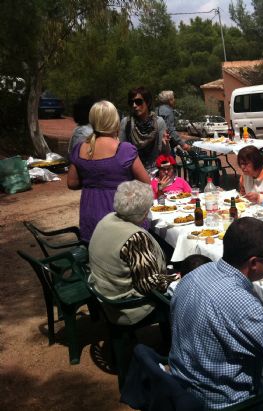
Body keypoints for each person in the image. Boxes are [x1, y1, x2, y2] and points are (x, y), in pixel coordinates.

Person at [169, 217, 263, 409]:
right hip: (223, 401)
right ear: (254, 263)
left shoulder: (195, 274)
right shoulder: (237, 302)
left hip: (182, 383)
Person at [88, 180, 178, 325]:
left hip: (103, 291)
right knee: (186, 291)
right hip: (125, 307)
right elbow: (148, 285)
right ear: (143, 213)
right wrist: (176, 277)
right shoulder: (135, 237)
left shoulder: (107, 218)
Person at [68, 100, 150, 243]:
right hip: (119, 215)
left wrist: (92, 181)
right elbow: (145, 182)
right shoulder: (124, 150)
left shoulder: (80, 148)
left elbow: (72, 183)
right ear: (115, 121)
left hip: (91, 214)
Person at [119, 86, 168, 172]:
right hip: (132, 172)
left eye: (138, 102)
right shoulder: (126, 123)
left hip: (154, 171)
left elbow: (165, 153)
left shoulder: (159, 123)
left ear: (147, 102)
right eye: (131, 102)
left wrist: (166, 144)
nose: (134, 106)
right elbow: (121, 152)